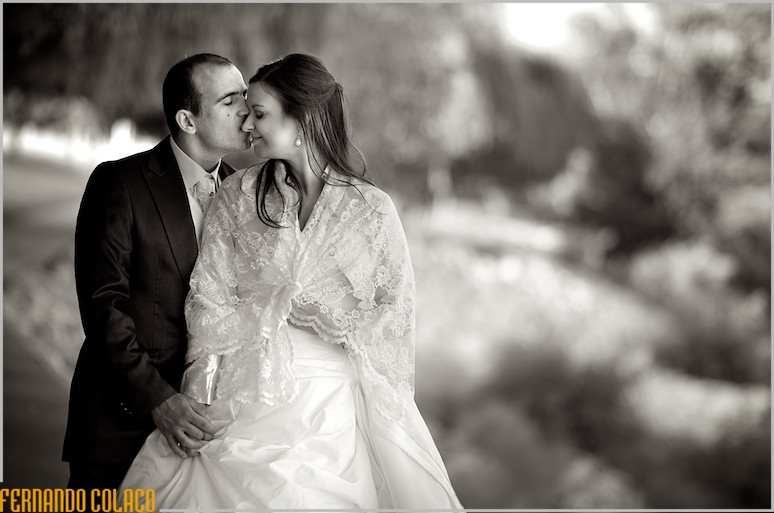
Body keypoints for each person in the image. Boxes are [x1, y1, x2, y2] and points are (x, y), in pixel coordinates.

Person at [120, 53, 463, 509]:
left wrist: (334, 320)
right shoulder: (237, 195)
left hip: (332, 408)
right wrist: (197, 397)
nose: (248, 125)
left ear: (301, 119)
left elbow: (393, 317)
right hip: (244, 395)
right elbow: (207, 301)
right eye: (245, 112)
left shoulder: (372, 210)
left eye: (259, 114)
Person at [63, 53, 253, 495]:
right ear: (188, 120)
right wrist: (160, 400)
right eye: (230, 101)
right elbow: (102, 308)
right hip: (121, 423)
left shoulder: (245, 192)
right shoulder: (120, 183)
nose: (247, 110)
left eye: (245, 95)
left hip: (205, 435)